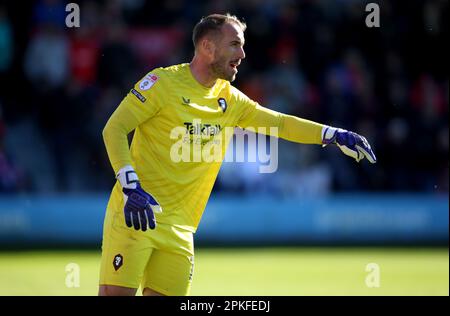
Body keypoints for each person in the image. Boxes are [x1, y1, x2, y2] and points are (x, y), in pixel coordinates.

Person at [99, 13, 376, 296]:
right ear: (207, 47)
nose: (242, 53)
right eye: (234, 44)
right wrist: (130, 185)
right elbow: (114, 129)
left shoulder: (229, 99)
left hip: (181, 231)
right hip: (136, 214)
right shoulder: (161, 83)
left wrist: (331, 134)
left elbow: (280, 123)